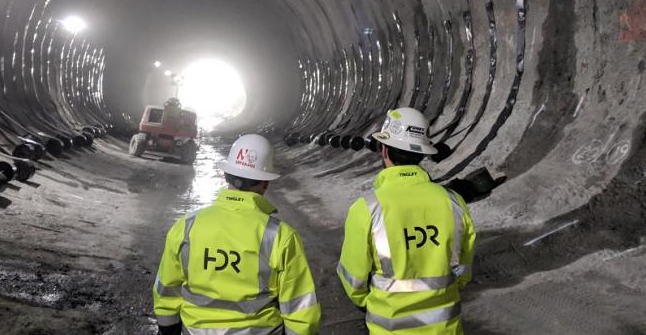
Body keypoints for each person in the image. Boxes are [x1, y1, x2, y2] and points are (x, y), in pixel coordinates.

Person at [153, 134, 321, 334]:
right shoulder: (280, 236)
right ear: (265, 183)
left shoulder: (186, 227)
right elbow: (299, 308)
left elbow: (166, 289)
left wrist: (168, 329)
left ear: (226, 176)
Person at [337, 108, 476, 334]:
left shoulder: (367, 208)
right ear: (422, 154)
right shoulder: (453, 203)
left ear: (384, 150)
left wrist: (374, 303)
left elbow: (354, 281)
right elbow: (463, 272)